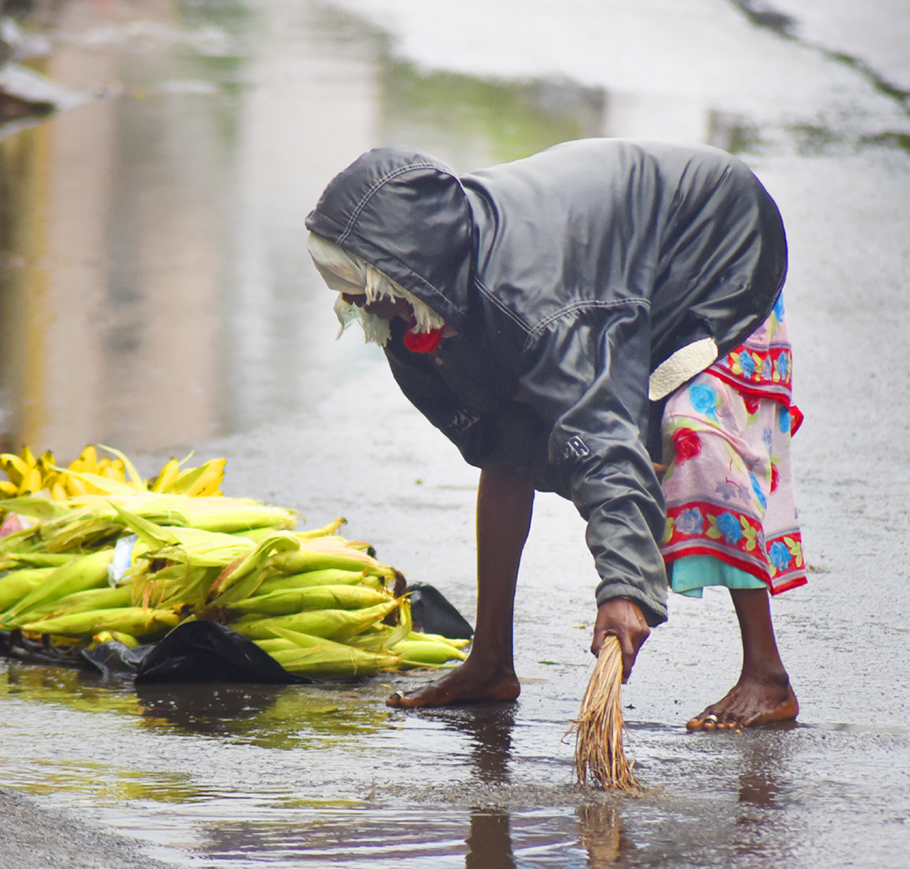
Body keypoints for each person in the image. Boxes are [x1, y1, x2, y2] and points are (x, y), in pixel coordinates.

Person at [304, 138, 804, 730]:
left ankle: (766, 675)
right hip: (609, 261)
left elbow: (602, 438)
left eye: (356, 286)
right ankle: (491, 660)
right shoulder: (420, 288)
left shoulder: (538, 307)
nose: (347, 300)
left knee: (692, 437)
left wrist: (624, 587)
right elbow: (494, 433)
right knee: (508, 439)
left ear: (401, 272)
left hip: (713, 244)